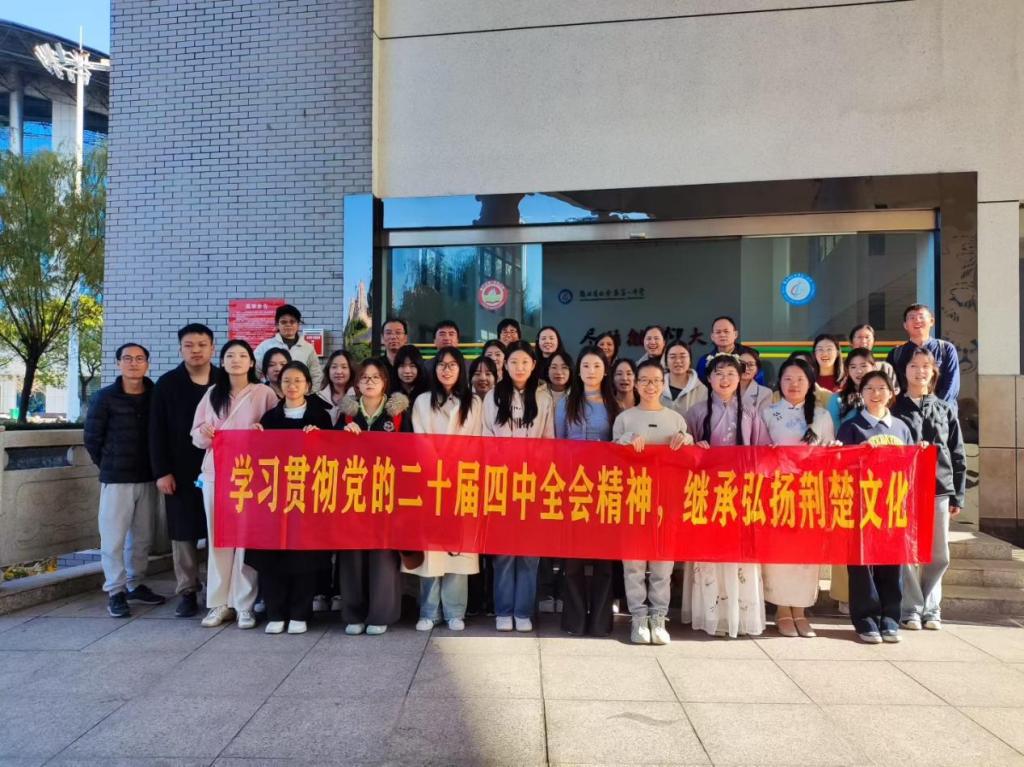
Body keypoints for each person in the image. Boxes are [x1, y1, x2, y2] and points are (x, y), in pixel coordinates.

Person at [191, 340, 279, 629]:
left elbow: (277, 430)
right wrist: (204, 432)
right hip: (216, 473)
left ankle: (244, 604)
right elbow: (196, 436)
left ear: (252, 362)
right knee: (218, 538)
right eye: (230, 356)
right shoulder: (212, 394)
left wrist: (262, 433)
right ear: (222, 362)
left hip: (250, 476)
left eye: (242, 355)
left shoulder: (264, 393)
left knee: (245, 540)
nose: (236, 360)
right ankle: (218, 603)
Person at [684, 353, 769, 638]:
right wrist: (696, 449)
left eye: (731, 373)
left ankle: (740, 617)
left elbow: (761, 450)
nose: (725, 379)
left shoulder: (751, 412)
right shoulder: (696, 412)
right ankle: (713, 617)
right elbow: (685, 453)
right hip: (708, 493)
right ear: (708, 378)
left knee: (739, 556)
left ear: (740, 377)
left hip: (741, 493)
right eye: (719, 373)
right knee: (710, 554)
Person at [246, 362, 332, 634]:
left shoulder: (320, 417)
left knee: (304, 558)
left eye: (297, 381)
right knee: (272, 556)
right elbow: (257, 459)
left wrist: (320, 439)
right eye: (286, 381)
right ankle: (276, 612)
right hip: (274, 499)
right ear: (279, 385)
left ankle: (300, 613)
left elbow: (332, 457)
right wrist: (256, 438)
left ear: (308, 385)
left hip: (307, 499)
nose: (292, 386)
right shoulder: (269, 418)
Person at [613, 358, 691, 644]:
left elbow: (688, 457)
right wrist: (624, 440)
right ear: (635, 384)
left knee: (662, 565)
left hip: (665, 501)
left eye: (656, 381)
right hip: (633, 499)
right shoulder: (624, 418)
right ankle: (638, 618)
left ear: (663, 384)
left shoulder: (676, 419)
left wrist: (687, 439)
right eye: (644, 380)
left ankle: (659, 618)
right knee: (633, 565)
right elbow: (611, 459)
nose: (650, 386)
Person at [85, 342, 165, 618]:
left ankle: (135, 583)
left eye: (140, 358)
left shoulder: (155, 396)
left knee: (142, 537)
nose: (134, 363)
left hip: (148, 477)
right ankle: (115, 591)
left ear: (147, 364)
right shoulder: (105, 397)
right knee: (113, 538)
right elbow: (92, 439)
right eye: (128, 358)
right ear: (118, 363)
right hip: (117, 478)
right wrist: (108, 464)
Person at [836, 371, 915, 644]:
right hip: (860, 506)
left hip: (892, 506)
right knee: (861, 565)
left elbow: (911, 466)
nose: (875, 393)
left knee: (892, 563)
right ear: (861, 393)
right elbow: (840, 466)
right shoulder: (851, 427)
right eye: (869, 388)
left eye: (882, 388)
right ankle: (865, 620)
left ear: (892, 393)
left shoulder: (901, 427)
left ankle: (890, 618)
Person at [335, 357, 412, 635]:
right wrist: (344, 437)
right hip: (353, 493)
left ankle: (380, 615)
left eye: (375, 377)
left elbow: (410, 450)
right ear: (357, 383)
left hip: (386, 493)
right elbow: (330, 453)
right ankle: (354, 614)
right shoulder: (347, 414)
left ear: (384, 382)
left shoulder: (398, 414)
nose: (369, 382)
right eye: (364, 378)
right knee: (352, 554)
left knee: (383, 554)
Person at [482, 340, 555, 631]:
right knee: (503, 552)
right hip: (501, 481)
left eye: (525, 362)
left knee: (529, 553)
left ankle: (523, 612)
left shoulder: (543, 398)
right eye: (514, 362)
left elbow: (549, 441)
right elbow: (485, 437)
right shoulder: (493, 396)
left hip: (532, 482)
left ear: (534, 365)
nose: (519, 367)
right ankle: (504, 610)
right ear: (505, 365)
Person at [408, 346, 482, 632]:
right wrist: (438, 466)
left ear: (460, 369)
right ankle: (429, 611)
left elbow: (477, 442)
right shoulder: (422, 401)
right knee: (431, 552)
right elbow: (420, 439)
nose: (447, 369)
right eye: (441, 364)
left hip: (463, 481)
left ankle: (455, 611)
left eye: (452, 365)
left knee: (458, 551)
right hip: (431, 481)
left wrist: (457, 466)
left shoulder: (473, 402)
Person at [761, 357, 835, 638]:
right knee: (780, 552)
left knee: (806, 554)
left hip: (809, 492)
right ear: (779, 383)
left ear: (811, 383)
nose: (794, 384)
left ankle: (801, 611)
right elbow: (758, 451)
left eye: (800, 379)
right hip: (778, 492)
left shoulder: (821, 416)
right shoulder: (768, 413)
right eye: (788, 379)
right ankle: (782, 610)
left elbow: (829, 454)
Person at [893, 349, 966, 631]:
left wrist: (957, 493)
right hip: (904, 490)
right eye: (913, 365)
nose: (919, 371)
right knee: (907, 550)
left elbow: (957, 453)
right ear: (905, 371)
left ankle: (932, 608)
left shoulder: (945, 409)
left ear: (933, 372)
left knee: (938, 552)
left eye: (925, 366)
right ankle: (911, 608)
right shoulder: (895, 408)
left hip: (938, 487)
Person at [150, 324, 216, 618]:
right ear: (180, 349)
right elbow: (156, 431)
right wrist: (161, 471)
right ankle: (187, 590)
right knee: (182, 534)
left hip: (219, 469)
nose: (196, 350)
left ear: (212, 348)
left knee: (218, 530)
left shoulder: (224, 380)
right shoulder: (167, 384)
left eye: (202, 344)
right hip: (179, 471)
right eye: (189, 345)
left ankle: (217, 590)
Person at [556, 347, 621, 636]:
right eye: (585, 365)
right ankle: (575, 620)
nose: (591, 371)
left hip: (605, 487)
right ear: (578, 371)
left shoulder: (614, 405)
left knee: (604, 560)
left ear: (605, 371)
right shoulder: (565, 404)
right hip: (573, 487)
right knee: (573, 559)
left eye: (597, 366)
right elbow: (558, 445)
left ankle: (600, 621)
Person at [886, 304, 960, 412]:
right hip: (906, 414)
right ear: (905, 325)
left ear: (931, 321)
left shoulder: (946, 349)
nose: (917, 320)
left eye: (921, 316)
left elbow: (951, 386)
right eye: (912, 317)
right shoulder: (896, 354)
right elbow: (891, 386)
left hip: (942, 414)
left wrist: (935, 410)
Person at [253, 304, 324, 390]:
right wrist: (260, 391)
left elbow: (316, 375)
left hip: (298, 394)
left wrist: (309, 394)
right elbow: (254, 371)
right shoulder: (265, 346)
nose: (288, 325)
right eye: (284, 322)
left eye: (292, 321)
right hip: (272, 395)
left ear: (298, 325)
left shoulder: (308, 348)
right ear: (277, 325)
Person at [827, 348, 878, 432]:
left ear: (874, 367)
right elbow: (833, 432)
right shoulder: (837, 399)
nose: (859, 371)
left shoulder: (882, 397)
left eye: (863, 366)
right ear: (848, 371)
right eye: (853, 367)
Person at [662, 340, 706, 417]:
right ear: (666, 362)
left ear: (690, 360)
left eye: (683, 356)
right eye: (672, 357)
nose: (678, 361)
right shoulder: (656, 386)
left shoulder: (702, 391)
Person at [849, 323, 898, 392]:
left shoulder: (885, 367)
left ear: (874, 341)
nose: (863, 341)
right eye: (859, 337)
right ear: (851, 341)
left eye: (867, 337)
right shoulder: (844, 367)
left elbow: (894, 391)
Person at [317, 349, 355, 425]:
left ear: (351, 370)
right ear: (328, 370)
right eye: (334, 367)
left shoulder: (358, 398)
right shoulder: (317, 398)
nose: (338, 371)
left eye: (344, 367)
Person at [736, 344, 772, 412]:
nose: (746, 368)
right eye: (741, 364)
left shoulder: (765, 393)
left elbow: (762, 418)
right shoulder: (724, 388)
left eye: (751, 364)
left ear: (757, 369)